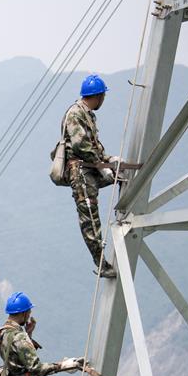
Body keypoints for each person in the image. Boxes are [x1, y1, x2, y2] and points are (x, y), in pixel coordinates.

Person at [62, 74, 121, 279]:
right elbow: (80, 145)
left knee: (120, 175)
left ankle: (122, 211)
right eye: (102, 96)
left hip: (90, 167)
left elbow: (93, 144)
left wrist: (107, 159)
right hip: (81, 172)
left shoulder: (88, 115)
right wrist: (101, 164)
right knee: (90, 218)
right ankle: (101, 262)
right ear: (97, 96)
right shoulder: (75, 114)